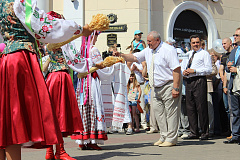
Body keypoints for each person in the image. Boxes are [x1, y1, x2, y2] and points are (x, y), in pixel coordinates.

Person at [0, 0, 92, 159]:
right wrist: (80, 29)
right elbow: (45, 25)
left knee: (7, 117)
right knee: (15, 118)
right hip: (20, 59)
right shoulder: (19, 2)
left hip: (6, 59)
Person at [114, 31, 182, 147]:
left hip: (168, 84)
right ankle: (164, 136)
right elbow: (135, 57)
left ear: (157, 41)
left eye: (150, 41)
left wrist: (176, 87)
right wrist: (122, 55)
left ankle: (171, 139)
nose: (148, 43)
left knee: (171, 113)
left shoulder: (168, 50)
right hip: (155, 86)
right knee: (158, 113)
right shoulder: (149, 50)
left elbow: (176, 69)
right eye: (148, 41)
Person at [182, 35, 212, 141]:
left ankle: (204, 132)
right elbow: (183, 67)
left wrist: (195, 71)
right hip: (188, 81)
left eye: (197, 42)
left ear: (200, 43)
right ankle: (193, 132)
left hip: (199, 80)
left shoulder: (204, 54)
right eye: (193, 42)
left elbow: (209, 70)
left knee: (201, 107)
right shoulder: (188, 54)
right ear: (190, 43)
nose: (195, 44)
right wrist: (184, 72)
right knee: (190, 107)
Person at [224, 27, 240, 144]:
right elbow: (227, 68)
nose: (234, 37)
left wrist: (237, 69)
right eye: (234, 35)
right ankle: (235, 135)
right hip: (234, 85)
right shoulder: (234, 51)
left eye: (237, 35)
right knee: (235, 112)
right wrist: (228, 67)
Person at [221, 37, 233, 139]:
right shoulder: (224, 56)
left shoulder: (234, 54)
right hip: (227, 84)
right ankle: (231, 130)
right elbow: (224, 71)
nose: (223, 45)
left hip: (234, 84)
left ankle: (234, 131)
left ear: (230, 43)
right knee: (227, 109)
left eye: (225, 43)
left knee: (234, 109)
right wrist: (224, 85)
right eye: (222, 44)